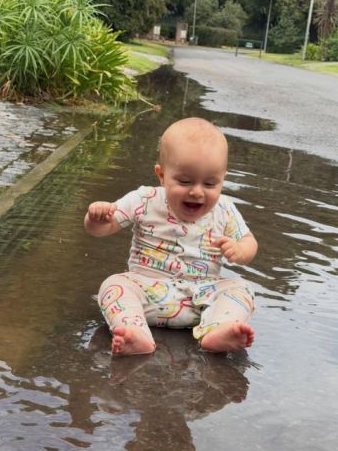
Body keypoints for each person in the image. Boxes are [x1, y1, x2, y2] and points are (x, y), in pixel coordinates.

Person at [85, 117, 258, 355]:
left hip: (201, 299)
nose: (197, 192)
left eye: (210, 183)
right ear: (162, 175)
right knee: (113, 285)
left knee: (240, 288)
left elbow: (249, 242)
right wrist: (96, 219)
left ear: (223, 178)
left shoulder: (225, 209)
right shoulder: (144, 200)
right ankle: (134, 332)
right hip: (148, 293)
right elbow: (104, 228)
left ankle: (219, 329)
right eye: (185, 181)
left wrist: (241, 251)